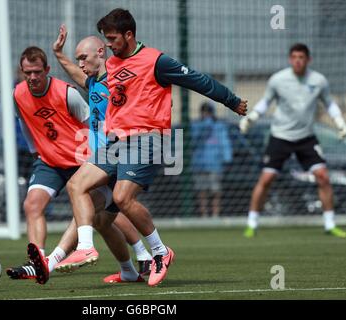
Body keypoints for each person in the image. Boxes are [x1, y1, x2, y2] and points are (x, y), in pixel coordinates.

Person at [64, 8, 248, 287]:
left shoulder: (156, 61)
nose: (109, 44)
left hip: (147, 138)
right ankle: (86, 248)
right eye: (106, 39)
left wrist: (230, 100)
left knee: (122, 197)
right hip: (117, 141)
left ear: (129, 34)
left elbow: (197, 79)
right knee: (76, 184)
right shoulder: (112, 64)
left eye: (113, 38)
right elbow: (96, 87)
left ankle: (160, 252)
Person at [6, 46, 144, 285]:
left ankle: (143, 252)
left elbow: (94, 123)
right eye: (27, 72)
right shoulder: (17, 94)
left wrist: (100, 157)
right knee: (32, 204)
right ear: (21, 72)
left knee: (102, 215)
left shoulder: (66, 92)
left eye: (37, 72)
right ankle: (37, 261)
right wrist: (36, 151)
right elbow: (25, 124)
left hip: (81, 159)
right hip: (49, 161)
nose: (32, 77)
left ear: (47, 70)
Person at [44, 25, 153, 280]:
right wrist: (59, 54)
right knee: (103, 222)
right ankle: (134, 266)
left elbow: (144, 94)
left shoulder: (117, 82)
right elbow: (75, 74)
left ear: (101, 52)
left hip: (116, 156)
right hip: (105, 159)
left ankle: (58, 258)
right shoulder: (94, 83)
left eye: (84, 57)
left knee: (79, 193)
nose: (80, 63)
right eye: (78, 58)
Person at [240, 43, 346, 238]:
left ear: (308, 60)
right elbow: (266, 101)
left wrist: (340, 122)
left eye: (301, 57)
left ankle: (330, 224)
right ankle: (251, 224)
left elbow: (329, 103)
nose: (298, 61)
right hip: (280, 136)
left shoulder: (319, 80)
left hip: (306, 137)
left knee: (323, 176)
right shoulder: (278, 80)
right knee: (267, 178)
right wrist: (252, 117)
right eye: (294, 57)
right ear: (290, 59)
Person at [191, 102, 232, 217]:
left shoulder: (219, 126)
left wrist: (227, 157)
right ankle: (204, 215)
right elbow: (193, 140)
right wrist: (204, 126)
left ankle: (215, 214)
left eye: (208, 111)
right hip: (199, 164)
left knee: (216, 191)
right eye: (204, 111)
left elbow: (225, 142)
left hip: (215, 164)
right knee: (202, 191)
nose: (206, 114)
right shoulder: (196, 126)